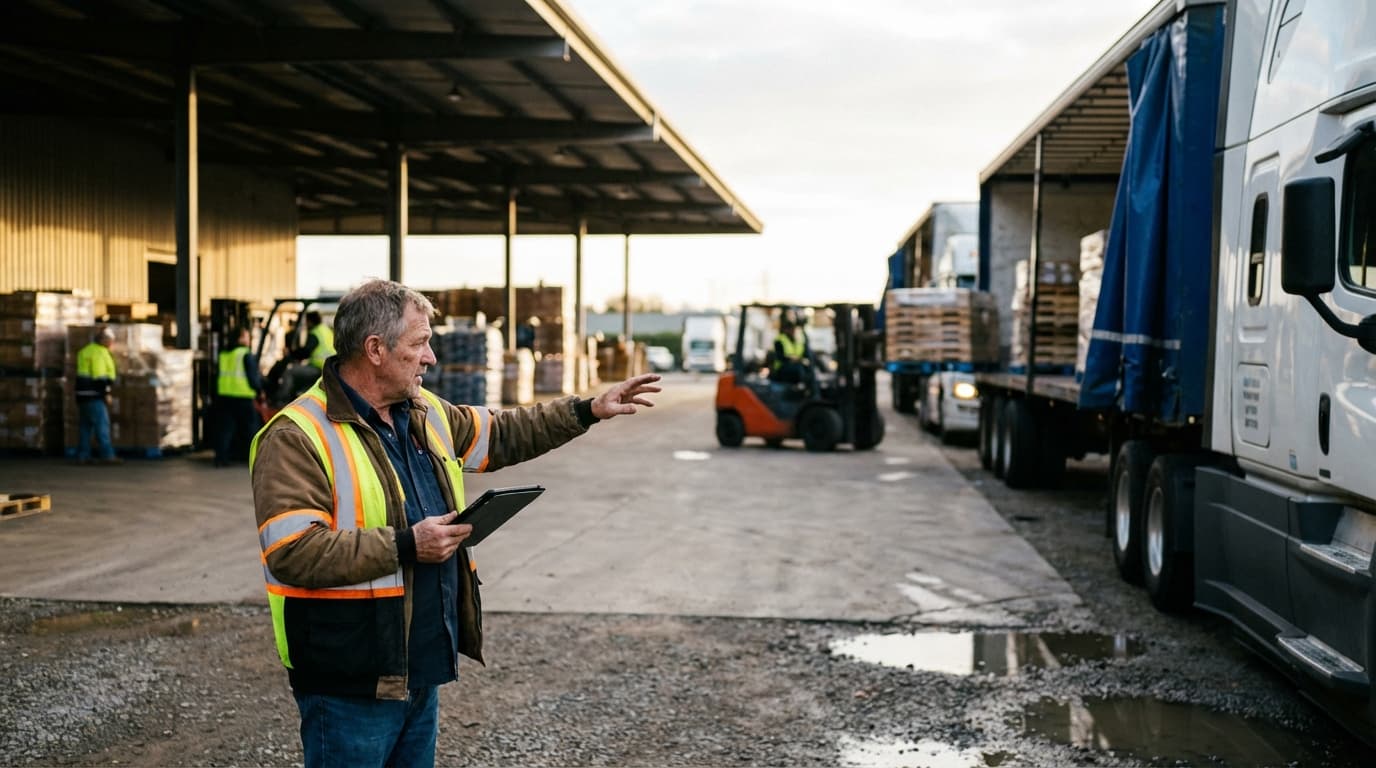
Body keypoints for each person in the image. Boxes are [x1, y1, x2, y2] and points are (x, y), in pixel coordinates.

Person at [249, 279, 661, 768]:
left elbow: (505, 433)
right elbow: (294, 552)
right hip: (349, 677)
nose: (431, 358)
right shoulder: (296, 437)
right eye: (420, 343)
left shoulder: (426, 413)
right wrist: (407, 545)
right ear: (375, 349)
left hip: (417, 667)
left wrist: (585, 410)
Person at [214, 328, 263, 467]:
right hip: (243, 397)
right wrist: (260, 390)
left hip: (225, 396)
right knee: (251, 429)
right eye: (247, 336)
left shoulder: (223, 354)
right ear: (240, 339)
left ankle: (221, 458)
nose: (249, 340)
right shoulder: (245, 354)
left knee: (225, 429)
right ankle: (255, 459)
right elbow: (253, 378)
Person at [74, 326, 120, 465]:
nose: (112, 343)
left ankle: (83, 455)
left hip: (81, 395)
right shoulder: (99, 353)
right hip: (94, 395)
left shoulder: (85, 351)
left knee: (85, 426)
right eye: (110, 340)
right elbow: (99, 377)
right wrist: (106, 393)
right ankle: (107, 455)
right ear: (104, 340)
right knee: (102, 425)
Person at [771, 311, 811, 385]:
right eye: (791, 329)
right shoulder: (780, 340)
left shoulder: (799, 340)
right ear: (786, 330)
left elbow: (805, 355)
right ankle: (801, 386)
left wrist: (802, 360)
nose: (794, 331)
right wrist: (794, 359)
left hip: (795, 365)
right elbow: (780, 357)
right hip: (782, 368)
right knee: (799, 369)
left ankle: (807, 389)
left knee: (809, 368)